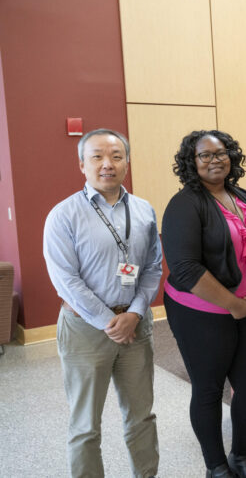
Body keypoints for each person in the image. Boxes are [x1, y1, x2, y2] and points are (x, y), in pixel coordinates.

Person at [43, 129, 162, 478]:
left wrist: (135, 313)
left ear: (127, 162)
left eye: (116, 156)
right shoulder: (63, 215)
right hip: (85, 329)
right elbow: (66, 279)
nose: (107, 164)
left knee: (141, 415)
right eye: (97, 157)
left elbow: (152, 268)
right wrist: (109, 321)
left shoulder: (142, 210)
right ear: (82, 164)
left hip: (135, 326)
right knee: (85, 425)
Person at [161, 130, 246, 478]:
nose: (214, 160)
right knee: (208, 388)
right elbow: (185, 268)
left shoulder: (243, 196)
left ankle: (241, 457)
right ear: (191, 163)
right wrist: (233, 305)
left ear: (232, 156)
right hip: (201, 313)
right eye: (204, 155)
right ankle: (216, 466)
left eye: (220, 153)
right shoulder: (184, 204)